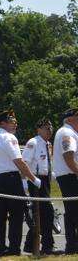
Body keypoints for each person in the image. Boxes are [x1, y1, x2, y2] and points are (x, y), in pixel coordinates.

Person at [0, 109, 40, 256]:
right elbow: (19, 161)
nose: (15, 124)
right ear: (2, 123)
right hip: (11, 179)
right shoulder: (9, 137)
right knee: (16, 215)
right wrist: (33, 179)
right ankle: (14, 248)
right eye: (11, 122)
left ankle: (1, 248)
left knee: (0, 216)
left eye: (15, 122)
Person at [23, 118, 57, 254]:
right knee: (46, 213)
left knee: (43, 214)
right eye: (46, 128)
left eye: (51, 128)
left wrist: (51, 173)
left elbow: (47, 162)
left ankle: (30, 244)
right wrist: (31, 180)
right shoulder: (33, 142)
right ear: (39, 129)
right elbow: (24, 162)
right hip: (36, 181)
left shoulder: (48, 144)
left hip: (45, 179)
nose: (50, 131)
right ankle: (48, 245)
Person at [54, 106, 78, 254]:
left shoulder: (68, 131)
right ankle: (72, 246)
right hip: (70, 177)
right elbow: (69, 157)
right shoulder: (67, 132)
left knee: (72, 213)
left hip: (69, 176)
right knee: (74, 213)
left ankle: (72, 246)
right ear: (69, 119)